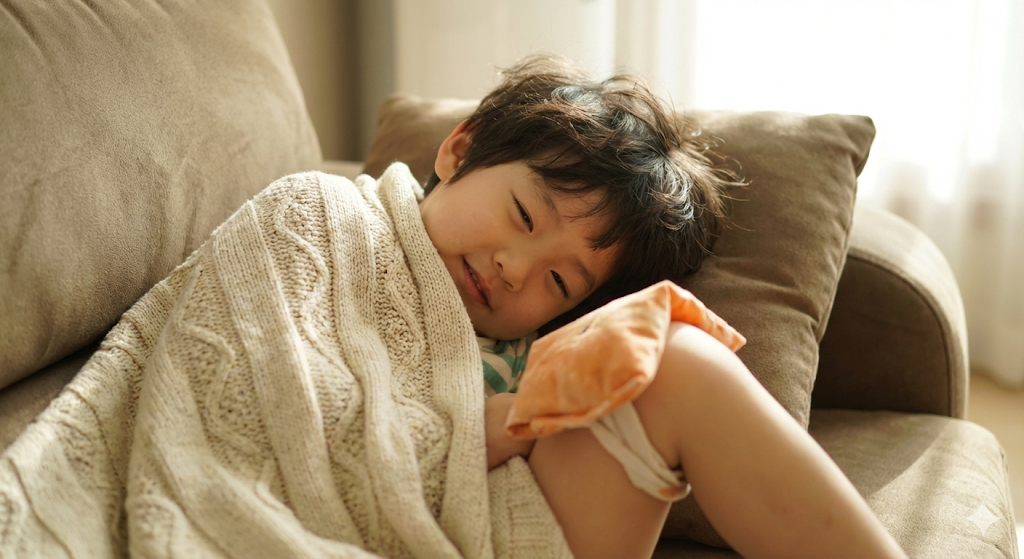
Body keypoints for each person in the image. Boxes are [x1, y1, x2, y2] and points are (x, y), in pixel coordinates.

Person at [418, 54, 907, 559]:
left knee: (664, 355)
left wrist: (512, 427)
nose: (515, 271)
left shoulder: (539, 373)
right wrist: (454, 432)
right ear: (461, 150)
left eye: (559, 281)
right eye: (524, 216)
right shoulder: (358, 226)